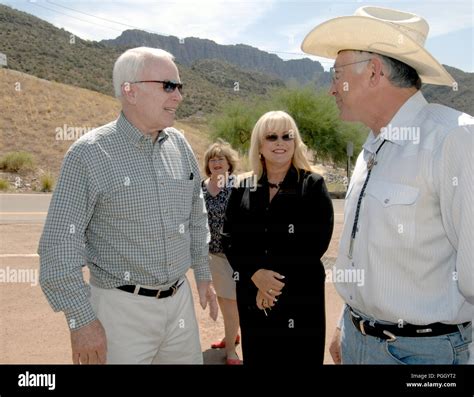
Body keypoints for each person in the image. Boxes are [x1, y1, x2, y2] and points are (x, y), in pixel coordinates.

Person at [301, 6, 473, 364]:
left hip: (425, 355)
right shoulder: (371, 146)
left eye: (337, 75)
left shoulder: (454, 139)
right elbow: (361, 251)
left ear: (375, 72)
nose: (332, 89)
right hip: (358, 339)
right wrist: (347, 325)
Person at [38, 47, 218, 365]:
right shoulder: (88, 154)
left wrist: (202, 272)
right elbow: (58, 245)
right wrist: (81, 320)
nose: (178, 97)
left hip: (179, 304)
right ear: (130, 91)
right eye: (168, 86)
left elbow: (195, 210)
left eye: (179, 87)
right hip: (119, 311)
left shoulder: (179, 144)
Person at [221, 110, 334, 365]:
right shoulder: (243, 187)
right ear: (259, 144)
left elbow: (316, 242)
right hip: (253, 296)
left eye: (287, 136)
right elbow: (229, 238)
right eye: (272, 137)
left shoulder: (312, 185)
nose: (280, 142)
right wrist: (255, 275)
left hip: (300, 295)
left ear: (296, 143)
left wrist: (271, 285)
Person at [202, 140, 242, 365]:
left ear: (229, 163)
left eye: (221, 158)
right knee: (227, 300)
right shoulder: (201, 187)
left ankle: (231, 344)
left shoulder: (239, 185)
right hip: (214, 255)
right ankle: (231, 342)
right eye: (212, 159)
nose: (216, 162)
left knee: (232, 301)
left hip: (237, 255)